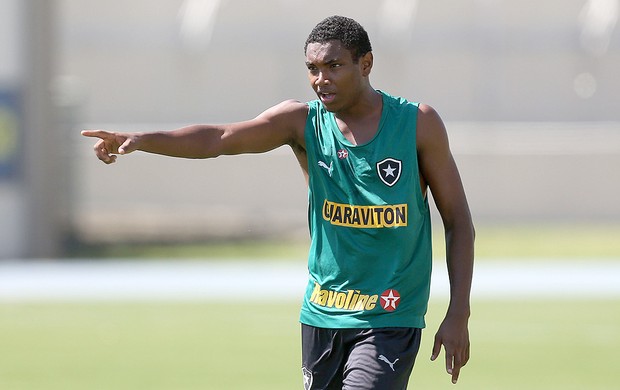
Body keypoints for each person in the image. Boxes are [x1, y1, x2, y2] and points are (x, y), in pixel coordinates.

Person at [83, 15, 474, 389]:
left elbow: (458, 222)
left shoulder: (417, 122)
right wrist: (145, 140)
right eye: (312, 68)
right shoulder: (300, 121)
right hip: (323, 311)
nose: (321, 80)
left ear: (366, 63)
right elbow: (219, 139)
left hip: (391, 314)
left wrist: (459, 311)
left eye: (334, 66)